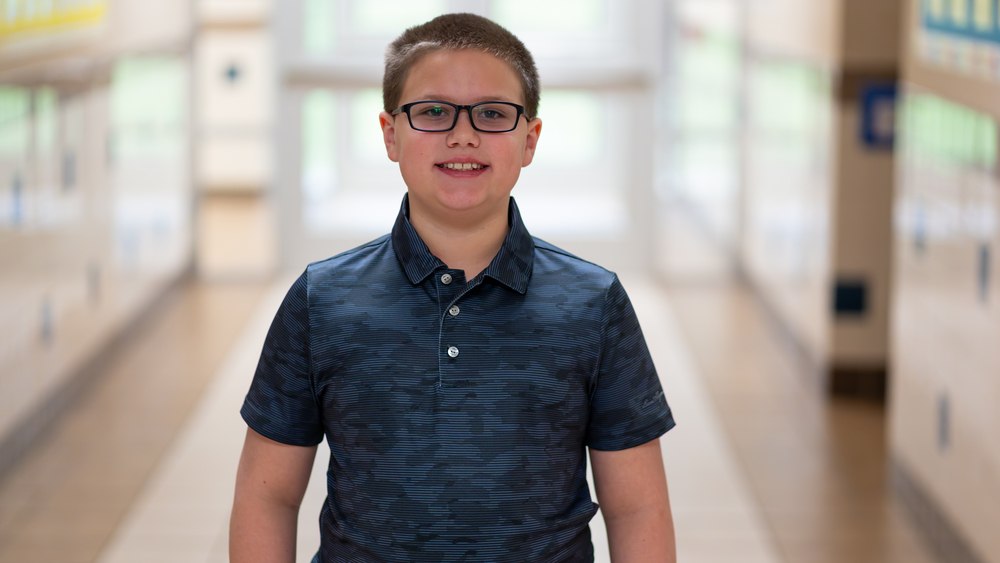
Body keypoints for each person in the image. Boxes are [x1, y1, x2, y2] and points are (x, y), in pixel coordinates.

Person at [230, 13, 676, 563]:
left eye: (492, 114)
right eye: (434, 112)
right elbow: (265, 499)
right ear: (390, 134)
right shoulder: (321, 301)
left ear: (530, 139)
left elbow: (637, 509)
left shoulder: (593, 303)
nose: (462, 134)